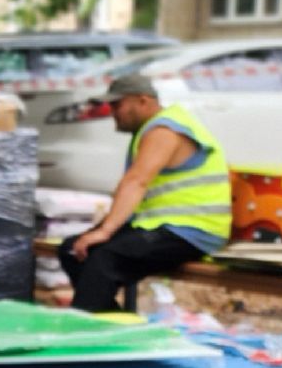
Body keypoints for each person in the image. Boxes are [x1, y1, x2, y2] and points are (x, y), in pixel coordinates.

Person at [61, 74, 231, 313]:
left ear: (143, 101)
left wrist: (105, 231)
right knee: (73, 250)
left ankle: (88, 326)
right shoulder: (152, 128)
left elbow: (137, 181)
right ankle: (107, 322)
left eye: (117, 104)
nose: (112, 112)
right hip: (162, 225)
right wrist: (101, 231)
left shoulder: (165, 130)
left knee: (105, 260)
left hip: (192, 230)